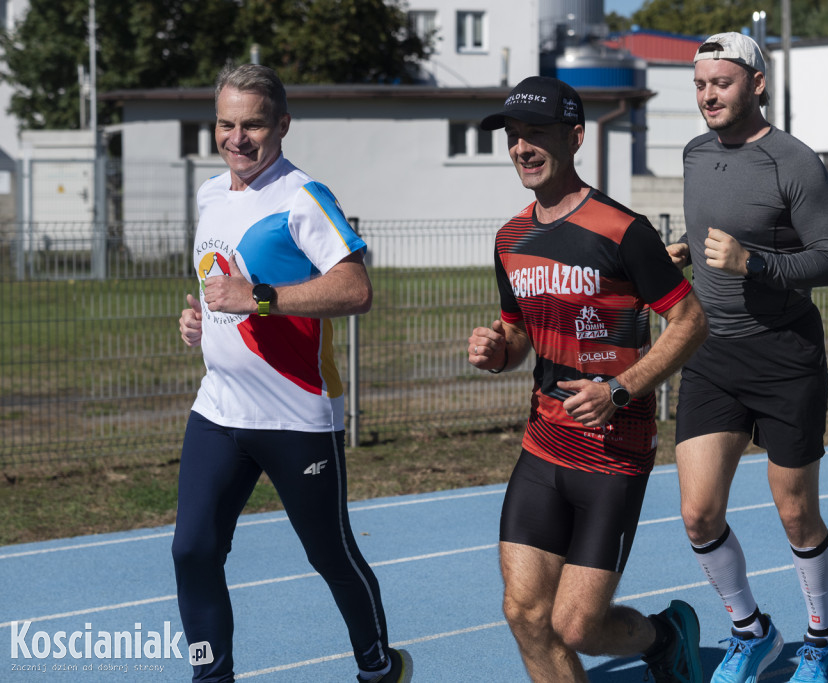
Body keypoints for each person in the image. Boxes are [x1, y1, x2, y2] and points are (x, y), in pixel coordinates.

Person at [173, 64, 411, 683]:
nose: (237, 137)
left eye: (252, 124)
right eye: (226, 123)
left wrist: (260, 299)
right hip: (219, 410)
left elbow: (355, 288)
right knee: (192, 550)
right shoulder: (207, 194)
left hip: (296, 414)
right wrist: (199, 320)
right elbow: (220, 285)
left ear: (282, 124)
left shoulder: (304, 196)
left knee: (329, 554)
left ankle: (379, 667)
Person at [468, 75, 709, 682]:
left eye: (536, 135)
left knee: (577, 627)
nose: (522, 148)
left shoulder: (623, 231)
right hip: (543, 444)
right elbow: (518, 334)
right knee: (525, 613)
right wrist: (498, 349)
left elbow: (688, 321)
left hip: (613, 452)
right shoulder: (510, 239)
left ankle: (665, 635)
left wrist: (621, 389)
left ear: (574, 138)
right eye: (514, 136)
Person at [668, 33, 828, 683]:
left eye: (720, 82)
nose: (708, 94)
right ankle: (752, 630)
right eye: (699, 84)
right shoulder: (693, 155)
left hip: (785, 355)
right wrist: (686, 250)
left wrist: (755, 261)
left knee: (796, 511)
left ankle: (823, 637)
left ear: (756, 84)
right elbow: (718, 224)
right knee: (697, 512)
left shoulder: (793, 161)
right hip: (712, 352)